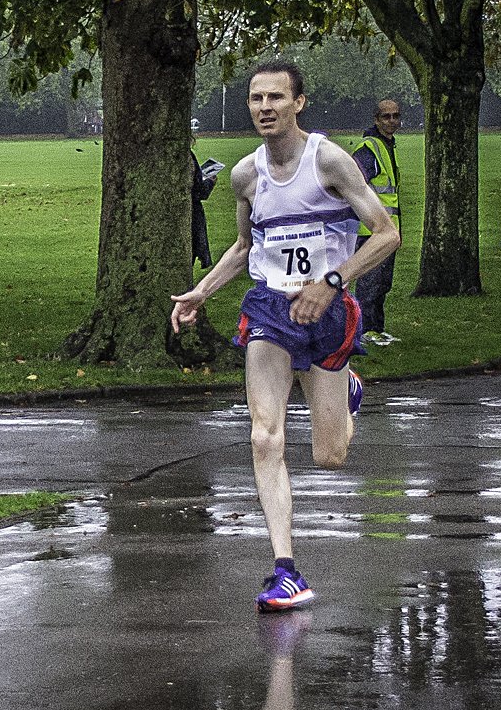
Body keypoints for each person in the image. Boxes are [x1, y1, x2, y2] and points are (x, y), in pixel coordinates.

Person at [170, 61, 400, 613]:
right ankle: (285, 570)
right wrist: (202, 291)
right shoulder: (245, 175)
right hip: (270, 309)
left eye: (276, 97)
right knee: (264, 437)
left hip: (328, 309)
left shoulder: (330, 161)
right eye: (256, 98)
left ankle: (346, 391)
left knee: (330, 456)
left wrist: (332, 282)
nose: (264, 107)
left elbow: (387, 233)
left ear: (298, 103)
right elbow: (245, 247)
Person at [351, 100, 403, 345]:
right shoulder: (370, 148)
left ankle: (376, 328)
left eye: (395, 116)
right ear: (376, 119)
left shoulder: (386, 145)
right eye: (386, 116)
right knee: (371, 282)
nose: (392, 121)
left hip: (386, 229)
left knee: (382, 282)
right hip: (371, 230)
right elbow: (354, 182)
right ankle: (364, 330)